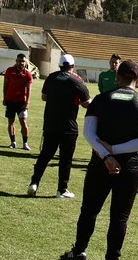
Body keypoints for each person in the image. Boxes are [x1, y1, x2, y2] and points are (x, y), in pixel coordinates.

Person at [62, 59, 138, 260]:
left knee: (89, 210)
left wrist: (107, 154)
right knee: (119, 217)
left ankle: (79, 252)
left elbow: (89, 133)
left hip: (100, 163)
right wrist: (116, 150)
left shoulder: (101, 99)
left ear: (117, 77)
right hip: (130, 166)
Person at [28, 53, 91, 198]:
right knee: (65, 159)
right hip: (68, 127)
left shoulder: (51, 77)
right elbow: (87, 103)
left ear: (60, 65)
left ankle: (34, 183)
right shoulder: (77, 81)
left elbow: (44, 97)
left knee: (45, 155)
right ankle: (61, 189)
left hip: (50, 124)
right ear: (73, 67)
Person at [3, 53, 34, 150]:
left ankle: (25, 143)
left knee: (23, 122)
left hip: (21, 103)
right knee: (11, 122)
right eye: (19, 61)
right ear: (16, 61)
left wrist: (27, 103)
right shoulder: (9, 71)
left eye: (23, 61)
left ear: (25, 62)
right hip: (10, 101)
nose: (21, 63)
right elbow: (5, 85)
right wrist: (4, 98)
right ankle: (13, 142)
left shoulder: (28, 74)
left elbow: (29, 90)